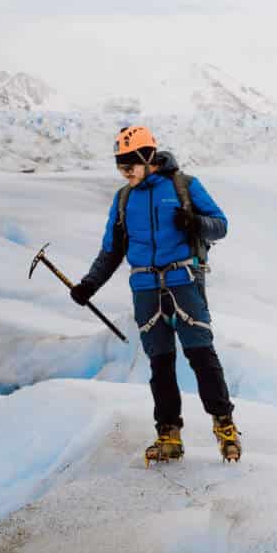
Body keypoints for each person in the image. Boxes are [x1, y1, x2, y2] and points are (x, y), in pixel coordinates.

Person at [70, 125, 241, 464]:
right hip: (145, 289)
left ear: (149, 157)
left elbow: (220, 224)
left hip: (184, 281)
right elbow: (111, 251)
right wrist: (89, 284)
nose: (125, 171)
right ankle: (168, 435)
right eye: (120, 164)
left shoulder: (183, 186)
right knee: (160, 364)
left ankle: (225, 427)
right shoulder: (123, 199)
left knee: (201, 357)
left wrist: (195, 223)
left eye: (130, 163)